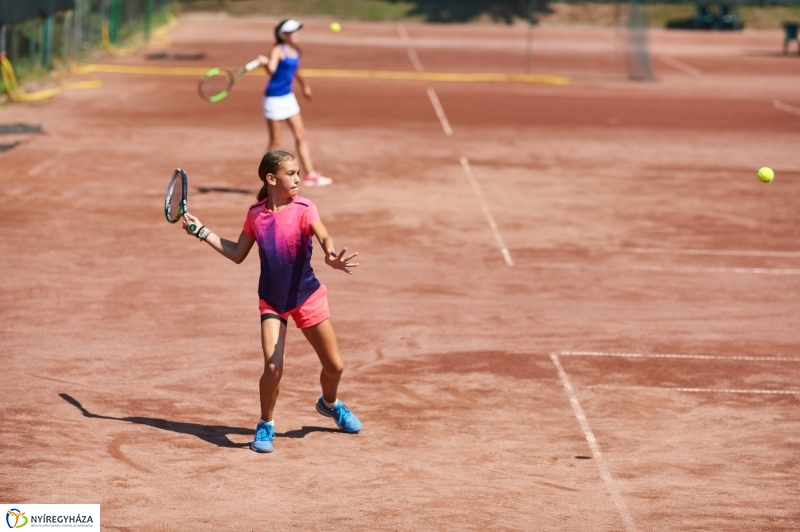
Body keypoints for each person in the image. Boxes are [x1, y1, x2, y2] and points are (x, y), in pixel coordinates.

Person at [181, 150, 362, 453]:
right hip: (273, 303)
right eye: (291, 173)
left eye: (298, 172)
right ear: (271, 178)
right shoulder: (256, 214)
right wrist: (202, 231)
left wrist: (331, 255)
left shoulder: (305, 208)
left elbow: (324, 237)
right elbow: (238, 253)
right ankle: (266, 424)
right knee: (273, 367)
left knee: (335, 367)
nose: (297, 178)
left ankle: (330, 404)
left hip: (307, 297)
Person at [256, 19, 332, 187]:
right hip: (274, 99)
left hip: (288, 97)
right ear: (283, 35)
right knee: (275, 142)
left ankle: (310, 174)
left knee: (301, 135)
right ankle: (267, 179)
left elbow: (296, 71)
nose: (297, 34)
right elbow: (272, 70)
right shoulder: (277, 49)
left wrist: (305, 87)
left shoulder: (296, 51)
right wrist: (265, 63)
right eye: (293, 32)